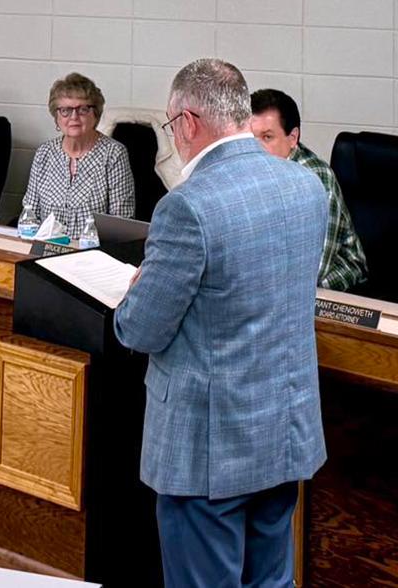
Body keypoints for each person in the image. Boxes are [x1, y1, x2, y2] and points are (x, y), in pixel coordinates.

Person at [114, 59, 327, 588]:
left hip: (209, 450)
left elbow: (140, 330)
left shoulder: (187, 206)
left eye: (171, 126)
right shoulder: (306, 186)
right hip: (283, 432)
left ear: (188, 122)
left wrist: (139, 290)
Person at [250, 88, 368, 294]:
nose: (256, 148)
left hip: (337, 268)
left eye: (267, 137)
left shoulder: (316, 180)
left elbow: (316, 267)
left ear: (292, 137)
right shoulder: (250, 169)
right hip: (276, 268)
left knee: (296, 293)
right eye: (251, 138)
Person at [22, 72, 134, 236]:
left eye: (83, 109)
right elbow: (30, 214)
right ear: (56, 116)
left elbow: (121, 224)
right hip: (46, 247)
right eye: (65, 110)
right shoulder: (44, 153)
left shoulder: (113, 154)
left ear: (95, 114)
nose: (74, 117)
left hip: (93, 250)